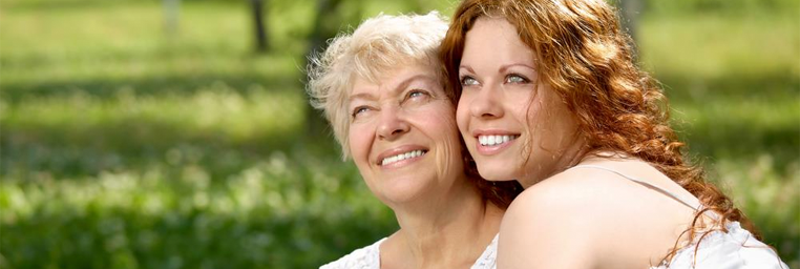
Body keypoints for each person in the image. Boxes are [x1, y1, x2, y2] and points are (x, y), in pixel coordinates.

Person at [439, 0, 789, 268]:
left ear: (579, 88)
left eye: (516, 78)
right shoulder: (626, 174)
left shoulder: (550, 209)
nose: (482, 106)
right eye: (469, 81)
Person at [307, 12, 521, 268]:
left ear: (463, 109)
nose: (388, 126)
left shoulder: (542, 247)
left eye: (415, 94)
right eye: (363, 109)